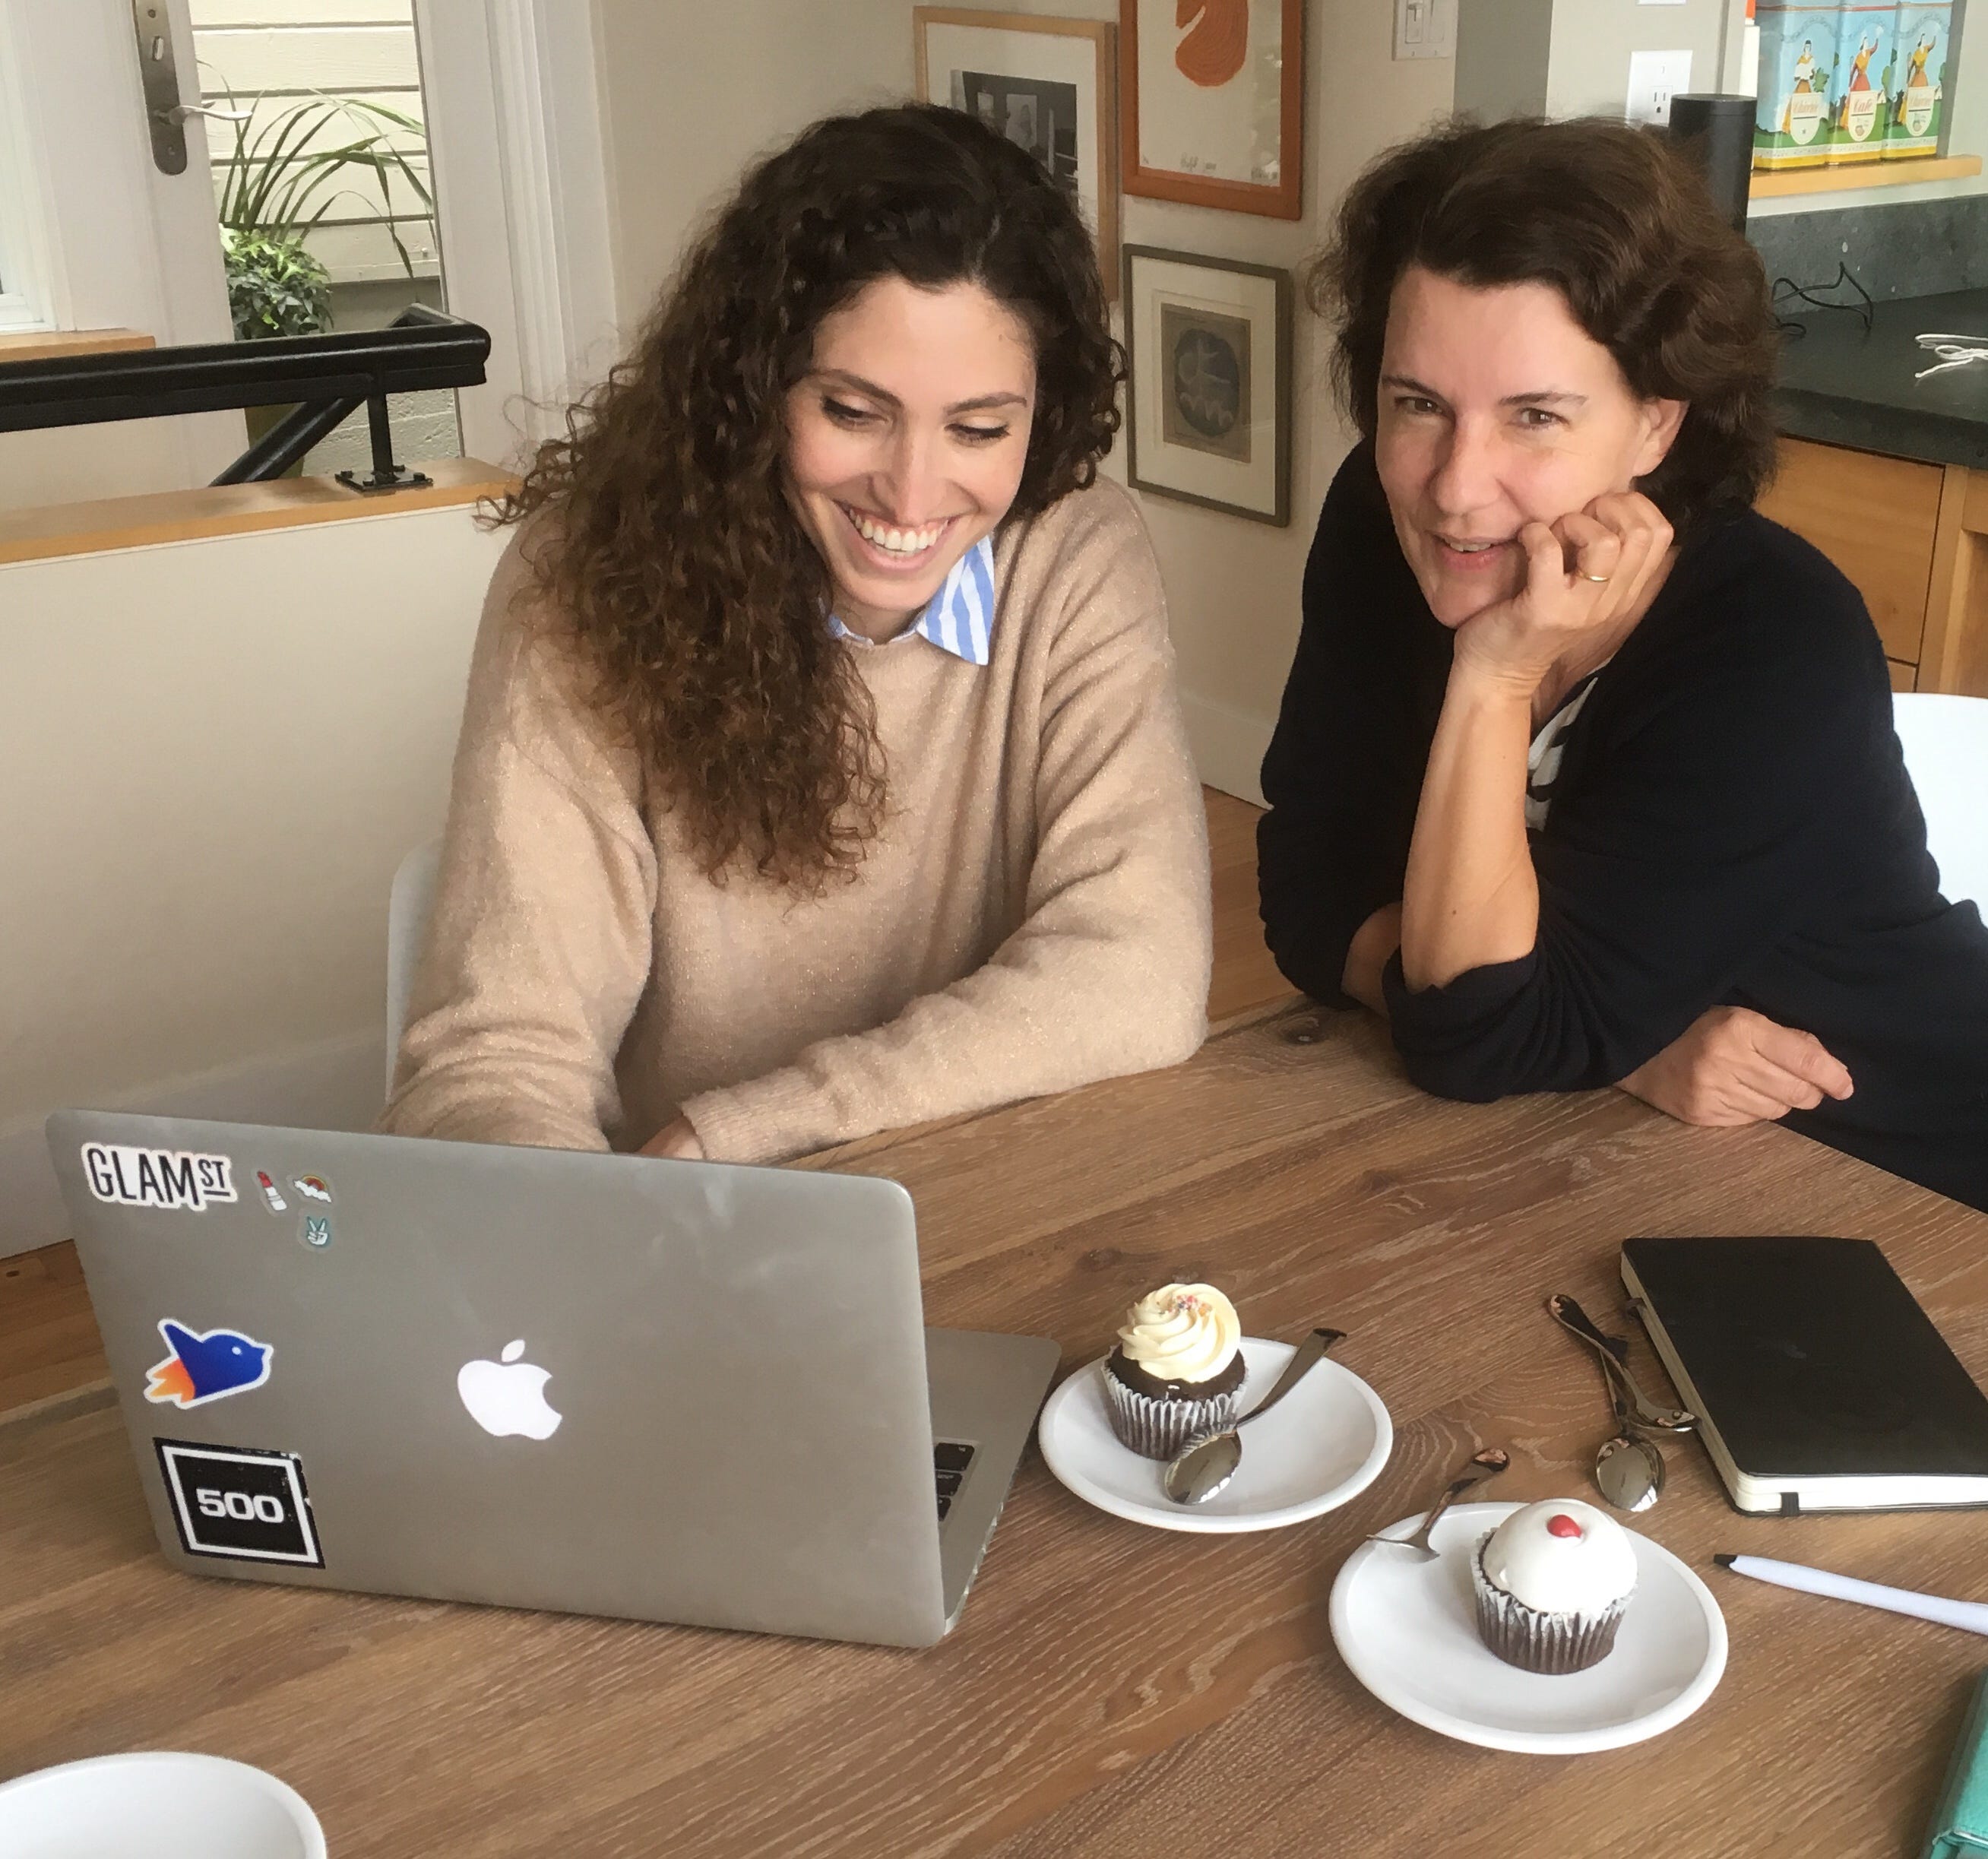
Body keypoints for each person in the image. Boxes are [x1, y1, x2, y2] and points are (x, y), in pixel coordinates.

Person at [383, 104, 1211, 1166]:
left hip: (976, 1182)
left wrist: (749, 1126)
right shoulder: (587, 580)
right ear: (756, 386)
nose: (911, 491)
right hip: (674, 1218)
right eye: (852, 412)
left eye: (977, 429)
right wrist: (620, 1224)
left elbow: (1140, 965)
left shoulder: (1078, 553)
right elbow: (498, 1060)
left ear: (1040, 419)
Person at [1258, 116, 1988, 1212]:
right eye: (1418, 404)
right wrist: (1623, 1048)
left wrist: (1495, 678)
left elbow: (1475, 1035)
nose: (1456, 486)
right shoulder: (1385, 521)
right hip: (1624, 1146)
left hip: (1902, 1164)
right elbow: (1307, 888)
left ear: (1655, 424)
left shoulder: (1775, 644)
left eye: (1535, 417)